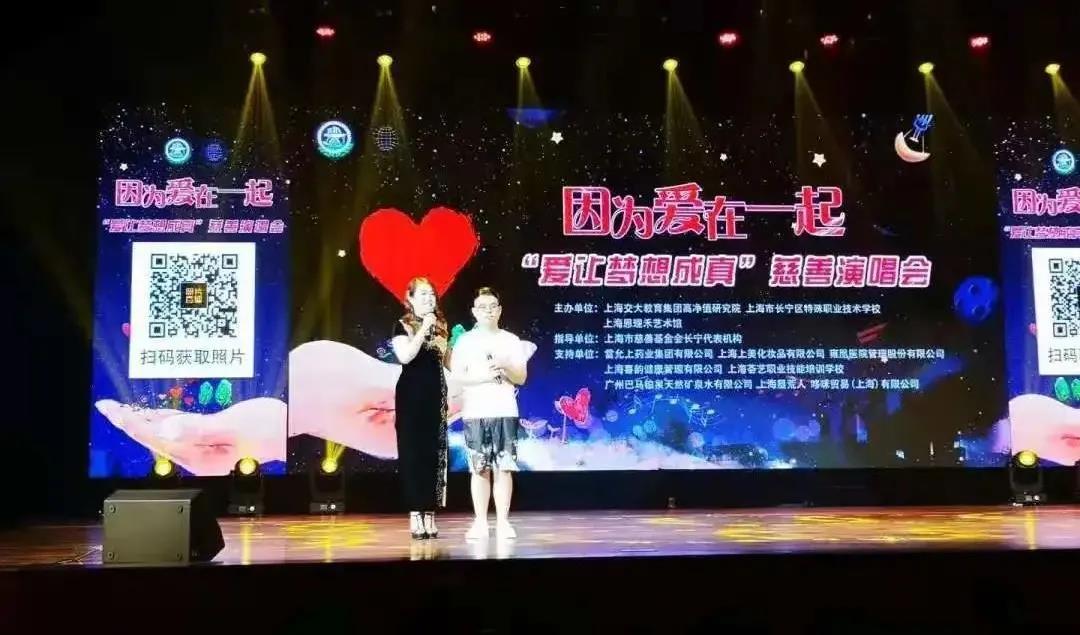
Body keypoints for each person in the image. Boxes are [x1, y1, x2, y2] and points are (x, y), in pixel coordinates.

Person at [450, 287, 529, 540]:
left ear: (500, 310)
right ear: (474, 312)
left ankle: (503, 522)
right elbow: (457, 377)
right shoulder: (465, 342)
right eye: (482, 307)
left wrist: (505, 365)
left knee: (504, 468)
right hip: (475, 411)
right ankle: (481, 522)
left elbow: (521, 378)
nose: (488, 311)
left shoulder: (511, 340)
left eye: (493, 306)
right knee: (479, 468)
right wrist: (483, 377)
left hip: (505, 409)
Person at [390, 277, 450, 540]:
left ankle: (430, 512)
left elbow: (447, 363)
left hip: (436, 395)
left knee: (433, 454)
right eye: (423, 294)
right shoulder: (402, 325)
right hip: (411, 397)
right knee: (413, 453)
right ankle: (416, 512)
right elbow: (405, 357)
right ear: (410, 299)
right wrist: (424, 328)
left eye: (432, 294)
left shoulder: (442, 327)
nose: (429, 298)